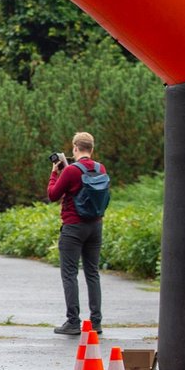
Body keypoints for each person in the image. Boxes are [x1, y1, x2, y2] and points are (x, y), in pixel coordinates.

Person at [47, 131, 105, 336]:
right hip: (95, 226)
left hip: (73, 227)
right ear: (92, 148)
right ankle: (96, 322)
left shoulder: (71, 171)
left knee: (70, 274)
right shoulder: (100, 168)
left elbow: (53, 195)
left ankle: (73, 322)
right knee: (92, 273)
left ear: (74, 148)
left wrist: (55, 173)